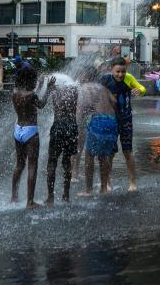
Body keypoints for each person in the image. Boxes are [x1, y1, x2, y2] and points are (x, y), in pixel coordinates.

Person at [10, 66, 53, 208]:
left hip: (18, 130)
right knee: (32, 166)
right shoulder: (31, 95)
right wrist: (48, 89)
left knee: (19, 165)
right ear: (29, 79)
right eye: (34, 79)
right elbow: (41, 104)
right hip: (31, 131)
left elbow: (30, 96)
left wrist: (40, 85)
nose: (35, 81)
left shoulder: (14, 92)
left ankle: (14, 197)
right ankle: (30, 202)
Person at [100, 56, 143, 192]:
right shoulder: (105, 80)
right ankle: (107, 182)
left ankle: (132, 182)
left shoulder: (128, 78)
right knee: (110, 153)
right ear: (111, 70)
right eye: (117, 71)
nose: (120, 74)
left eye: (123, 71)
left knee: (128, 151)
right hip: (110, 120)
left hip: (125, 119)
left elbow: (142, 89)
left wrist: (139, 91)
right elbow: (97, 93)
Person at [76, 66, 119, 196]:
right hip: (112, 121)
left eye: (80, 74)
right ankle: (104, 188)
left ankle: (88, 190)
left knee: (89, 156)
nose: (79, 77)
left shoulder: (84, 88)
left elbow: (80, 112)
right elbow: (114, 101)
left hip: (99, 122)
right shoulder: (103, 88)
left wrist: (77, 125)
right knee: (104, 156)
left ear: (85, 76)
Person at [45, 74, 79, 205]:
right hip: (71, 127)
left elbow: (42, 103)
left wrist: (49, 88)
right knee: (67, 161)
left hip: (58, 126)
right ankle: (66, 195)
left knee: (52, 162)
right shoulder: (74, 91)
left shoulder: (55, 92)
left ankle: (50, 197)